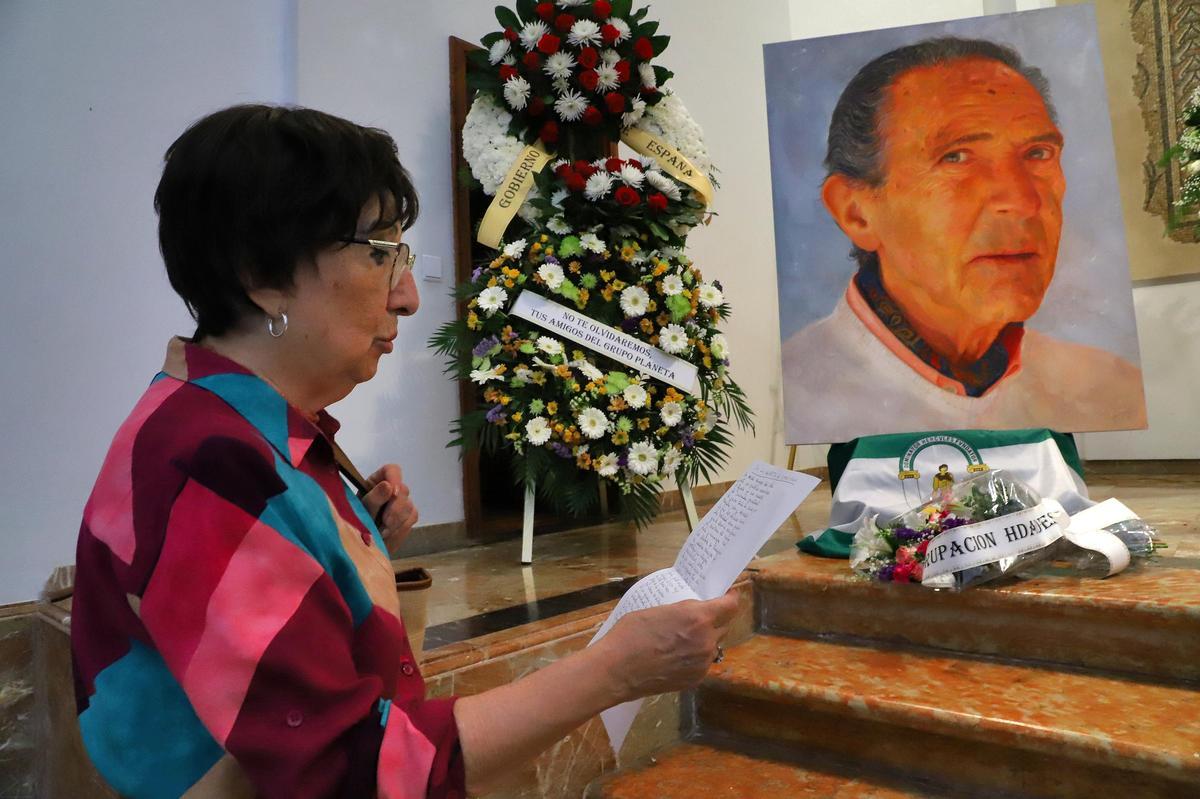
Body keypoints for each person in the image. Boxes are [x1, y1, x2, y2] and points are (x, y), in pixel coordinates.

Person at [71, 104, 739, 799]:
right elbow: (346, 772)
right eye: (379, 252)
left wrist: (354, 537)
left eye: (402, 253)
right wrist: (613, 671)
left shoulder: (239, 428)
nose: (410, 296)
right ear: (260, 270)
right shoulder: (207, 463)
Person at [781, 37, 1146, 443]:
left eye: (1038, 153)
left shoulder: (1105, 388)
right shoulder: (797, 394)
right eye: (956, 158)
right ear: (856, 212)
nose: (1023, 201)